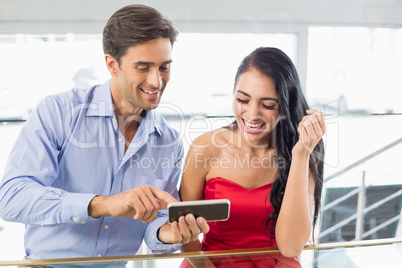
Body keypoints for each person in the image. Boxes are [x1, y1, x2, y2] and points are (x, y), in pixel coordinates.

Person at [0, 4, 209, 260]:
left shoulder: (168, 141)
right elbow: (12, 197)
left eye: (164, 67)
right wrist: (104, 204)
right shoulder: (58, 112)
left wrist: (170, 234)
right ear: (112, 64)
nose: (157, 81)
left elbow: (157, 222)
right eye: (143, 67)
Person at [179, 47, 326, 267]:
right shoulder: (204, 148)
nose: (252, 114)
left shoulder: (302, 155)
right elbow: (184, 232)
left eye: (268, 105)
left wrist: (301, 154)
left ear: (286, 105)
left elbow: (291, 247)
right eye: (243, 100)